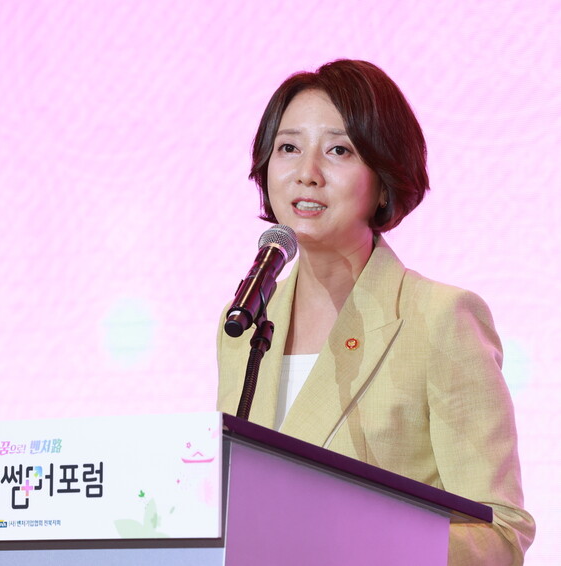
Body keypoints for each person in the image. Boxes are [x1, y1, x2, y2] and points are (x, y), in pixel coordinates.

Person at [216, 60, 535, 565]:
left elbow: (501, 535)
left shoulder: (440, 318)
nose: (307, 174)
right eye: (288, 148)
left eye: (338, 150)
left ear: (383, 180)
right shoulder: (243, 322)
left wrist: (360, 538)